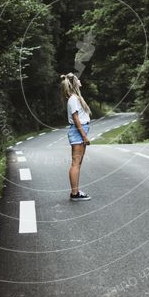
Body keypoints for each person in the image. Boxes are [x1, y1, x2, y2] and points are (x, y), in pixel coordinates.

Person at [61, 72, 92, 201]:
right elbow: (76, 118)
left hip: (80, 131)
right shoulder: (73, 99)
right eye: (78, 80)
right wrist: (84, 136)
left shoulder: (75, 98)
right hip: (78, 132)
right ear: (75, 83)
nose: (81, 82)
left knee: (78, 164)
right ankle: (75, 193)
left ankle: (76, 191)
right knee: (76, 164)